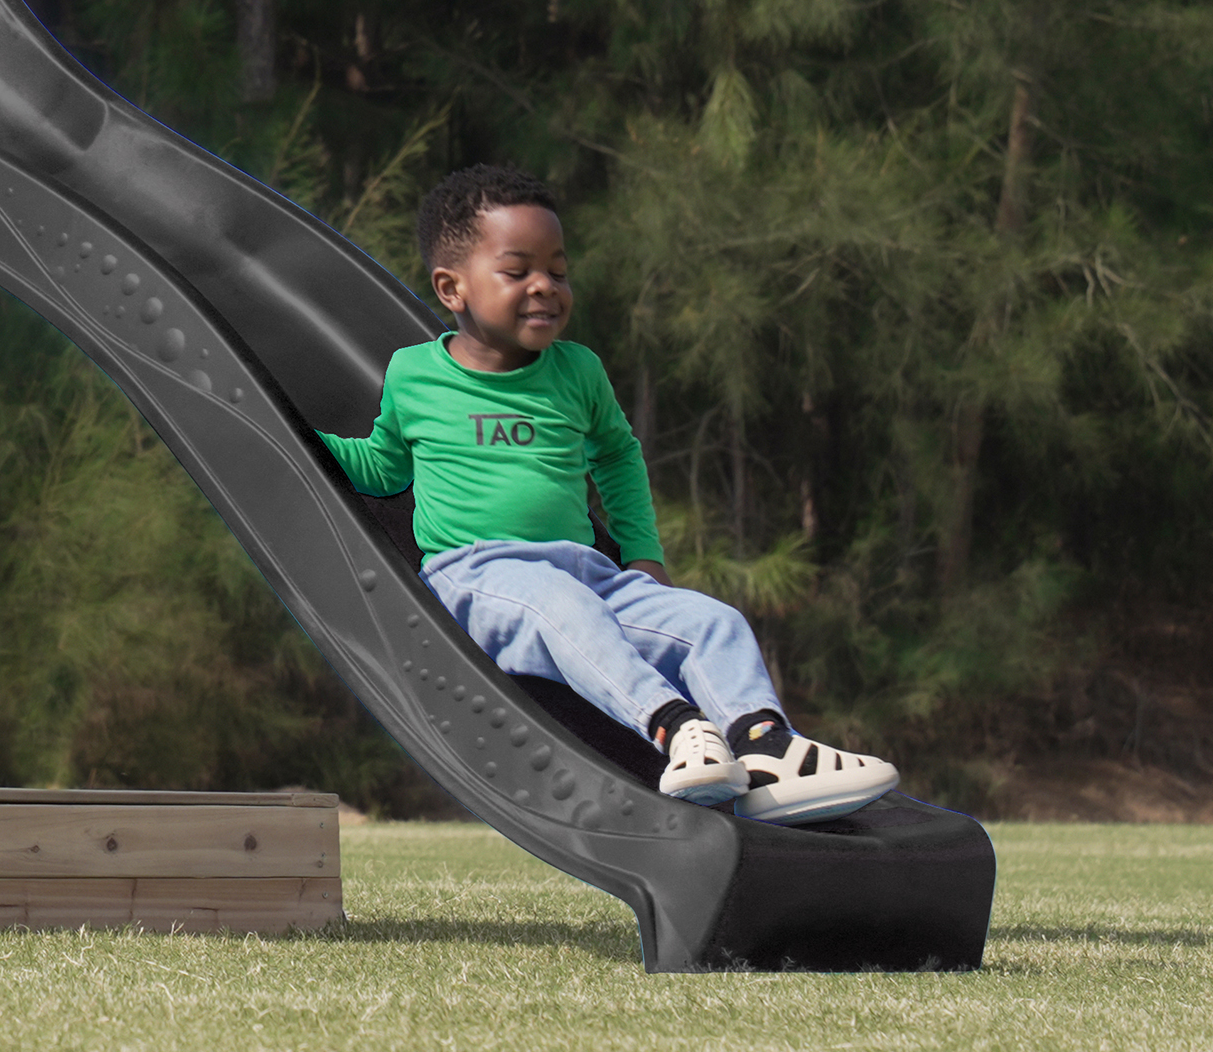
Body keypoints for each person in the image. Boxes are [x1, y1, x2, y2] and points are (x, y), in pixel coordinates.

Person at [322, 164, 898, 824]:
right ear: (452, 288)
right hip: (477, 574)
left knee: (712, 622)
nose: (546, 287)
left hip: (587, 571)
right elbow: (383, 469)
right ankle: (676, 729)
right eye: (518, 271)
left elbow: (618, 459)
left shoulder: (577, 371)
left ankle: (765, 748)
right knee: (563, 607)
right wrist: (300, 436)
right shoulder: (415, 373)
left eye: (558, 271)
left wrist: (643, 558)